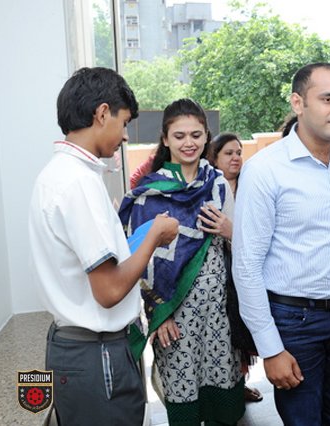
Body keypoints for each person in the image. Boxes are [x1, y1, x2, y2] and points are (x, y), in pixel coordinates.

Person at [28, 67, 179, 425]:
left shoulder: (56, 174)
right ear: (101, 113)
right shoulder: (79, 182)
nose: (125, 136)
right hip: (96, 355)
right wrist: (154, 237)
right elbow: (109, 291)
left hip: (75, 348)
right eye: (123, 123)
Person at [231, 62, 330, 426]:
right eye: (328, 99)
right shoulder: (265, 169)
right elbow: (246, 265)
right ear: (298, 103)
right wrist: (270, 348)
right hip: (293, 322)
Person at [118, 99, 245, 425]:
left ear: (206, 137)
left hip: (220, 312)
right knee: (184, 401)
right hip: (175, 317)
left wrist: (230, 230)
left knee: (223, 402)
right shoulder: (149, 193)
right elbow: (139, 262)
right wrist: (158, 313)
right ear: (165, 139)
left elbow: (244, 246)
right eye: (179, 136)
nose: (189, 142)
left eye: (196, 135)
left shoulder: (218, 184)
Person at [207, 132, 263, 403]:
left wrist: (233, 233)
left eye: (239, 152)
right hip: (217, 272)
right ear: (214, 157)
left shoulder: (251, 187)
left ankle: (240, 384)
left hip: (247, 270)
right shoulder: (209, 188)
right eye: (228, 153)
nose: (236, 158)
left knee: (243, 330)